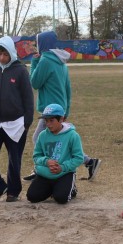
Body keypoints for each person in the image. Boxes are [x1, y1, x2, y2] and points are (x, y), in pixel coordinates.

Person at [25, 31, 101, 181]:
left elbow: (34, 83)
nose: (36, 45)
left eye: (37, 42)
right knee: (58, 139)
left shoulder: (45, 60)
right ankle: (90, 162)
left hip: (50, 109)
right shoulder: (61, 61)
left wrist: (34, 63)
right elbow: (68, 89)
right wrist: (66, 110)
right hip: (60, 107)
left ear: (43, 44)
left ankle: (44, 169)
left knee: (38, 138)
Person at [0, 36, 34, 202]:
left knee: (14, 159)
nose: (2, 57)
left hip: (16, 123)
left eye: (5, 54)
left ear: (11, 53)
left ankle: (13, 192)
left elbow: (28, 99)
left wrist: (26, 122)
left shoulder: (21, 71)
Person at [26, 104, 84, 205]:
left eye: (51, 120)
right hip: (44, 174)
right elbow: (36, 156)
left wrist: (62, 167)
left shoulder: (73, 135)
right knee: (32, 197)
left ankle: (71, 188)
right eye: (46, 120)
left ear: (61, 119)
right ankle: (53, 189)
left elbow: (79, 158)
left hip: (64, 173)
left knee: (61, 199)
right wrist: (46, 161)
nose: (48, 124)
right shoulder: (42, 135)